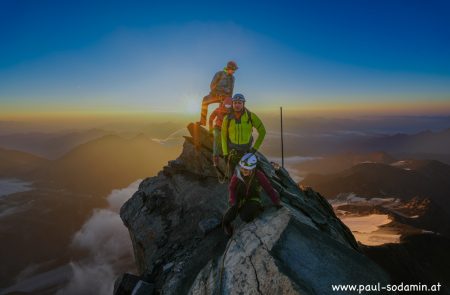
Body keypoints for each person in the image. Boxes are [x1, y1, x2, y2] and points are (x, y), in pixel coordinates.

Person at [222, 153, 281, 236]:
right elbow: (231, 187)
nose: (244, 171)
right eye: (243, 168)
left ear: (252, 168)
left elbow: (269, 189)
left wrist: (276, 202)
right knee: (229, 215)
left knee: (245, 217)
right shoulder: (238, 173)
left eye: (246, 169)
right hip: (240, 197)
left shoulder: (258, 175)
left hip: (253, 198)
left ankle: (255, 208)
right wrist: (232, 200)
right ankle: (227, 226)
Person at [221, 93, 266, 174]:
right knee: (234, 175)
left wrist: (255, 149)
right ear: (232, 104)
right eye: (235, 103)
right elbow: (223, 136)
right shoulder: (227, 119)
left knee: (246, 175)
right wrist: (225, 153)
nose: (237, 105)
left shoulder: (251, 116)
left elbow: (262, 131)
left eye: (239, 103)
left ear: (243, 104)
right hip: (232, 151)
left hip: (246, 151)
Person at [198, 61, 238, 126]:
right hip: (215, 95)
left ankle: (223, 127)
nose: (234, 71)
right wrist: (215, 93)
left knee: (225, 111)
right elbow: (212, 85)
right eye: (233, 69)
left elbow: (231, 90)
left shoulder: (233, 78)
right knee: (205, 100)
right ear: (229, 68)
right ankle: (203, 121)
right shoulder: (219, 74)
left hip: (225, 98)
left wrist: (229, 100)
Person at [209, 97, 233, 166]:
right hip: (218, 128)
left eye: (229, 106)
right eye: (226, 105)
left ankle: (229, 158)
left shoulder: (233, 111)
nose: (228, 107)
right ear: (223, 104)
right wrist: (210, 131)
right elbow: (211, 118)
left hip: (228, 130)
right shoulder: (218, 110)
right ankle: (215, 158)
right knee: (217, 138)